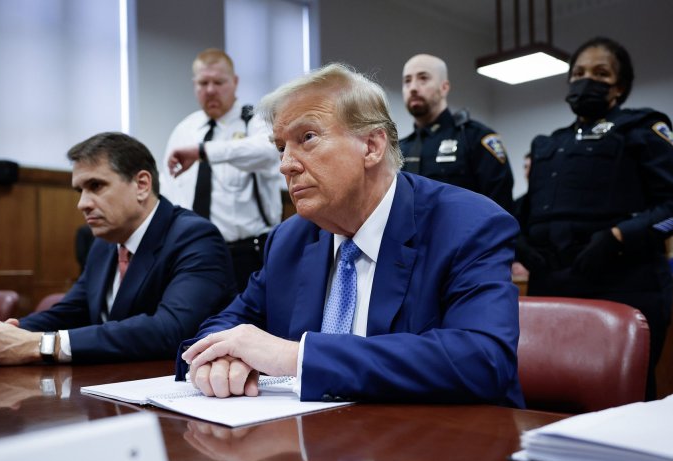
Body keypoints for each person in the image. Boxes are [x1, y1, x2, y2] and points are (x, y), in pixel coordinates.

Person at [177, 63, 524, 407]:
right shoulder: (289, 239)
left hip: (444, 447)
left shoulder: (467, 224)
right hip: (313, 446)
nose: (285, 165)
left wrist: (297, 357)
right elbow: (228, 324)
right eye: (281, 146)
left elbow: (483, 359)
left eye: (307, 138)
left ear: (371, 146)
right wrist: (221, 357)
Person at [517, 36, 673, 399]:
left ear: (620, 86)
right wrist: (518, 243)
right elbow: (528, 209)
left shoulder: (643, 129)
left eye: (600, 73)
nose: (586, 80)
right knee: (546, 395)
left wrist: (617, 236)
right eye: (578, 72)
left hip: (624, 283)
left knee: (620, 399)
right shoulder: (550, 145)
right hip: (555, 286)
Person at [0, 132, 235, 365]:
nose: (83, 204)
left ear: (141, 184)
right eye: (80, 191)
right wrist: (1, 333)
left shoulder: (194, 236)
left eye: (96, 186)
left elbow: (171, 331)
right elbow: (71, 309)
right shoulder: (103, 245)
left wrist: (40, 345)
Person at [162, 48, 282, 291]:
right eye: (203, 83)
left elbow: (268, 151)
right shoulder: (185, 129)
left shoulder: (256, 121)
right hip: (193, 253)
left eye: (219, 82)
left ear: (235, 82)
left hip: (248, 254)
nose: (210, 90)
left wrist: (205, 151)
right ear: (194, 85)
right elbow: (169, 189)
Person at [399, 54, 514, 213]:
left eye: (423, 78)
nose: (413, 88)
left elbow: (500, 205)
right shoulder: (399, 149)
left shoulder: (474, 137)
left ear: (444, 87)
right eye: (407, 81)